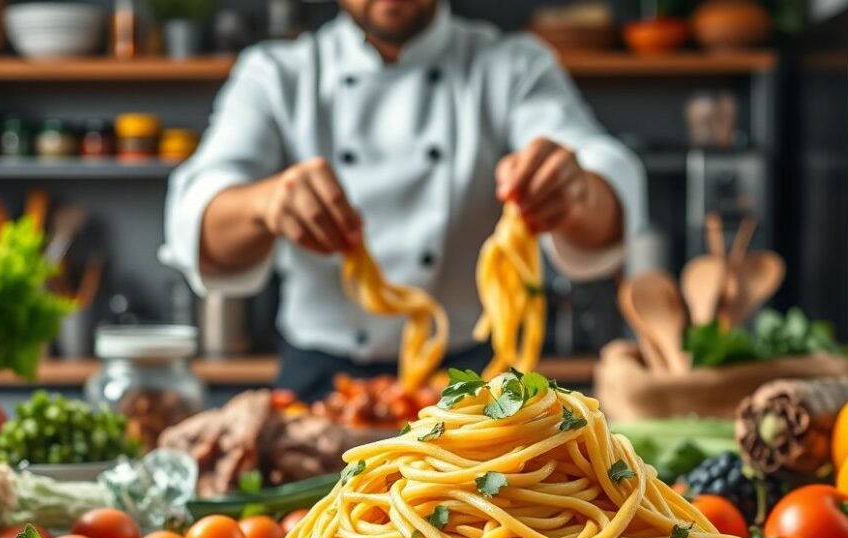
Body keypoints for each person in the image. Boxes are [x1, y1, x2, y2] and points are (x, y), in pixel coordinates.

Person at [162, 0, 645, 400]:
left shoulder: (513, 65)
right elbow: (199, 208)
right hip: (316, 386)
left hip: (474, 384)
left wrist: (574, 188)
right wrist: (265, 204)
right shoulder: (276, 73)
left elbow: (605, 173)